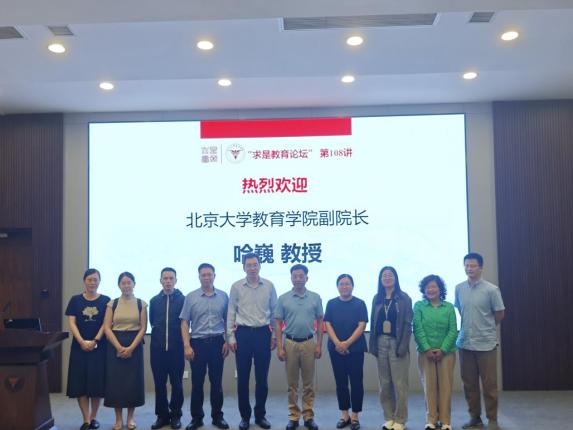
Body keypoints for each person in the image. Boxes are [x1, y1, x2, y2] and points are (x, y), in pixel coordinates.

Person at [227, 253, 277, 430]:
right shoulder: (236, 287)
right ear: (244, 267)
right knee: (243, 379)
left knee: (262, 379)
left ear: (260, 266)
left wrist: (274, 335)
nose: (252, 268)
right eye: (249, 265)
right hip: (243, 334)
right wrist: (231, 337)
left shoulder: (269, 286)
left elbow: (275, 312)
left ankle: (260, 415)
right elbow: (231, 313)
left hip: (263, 334)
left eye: (255, 264)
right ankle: (245, 417)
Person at [455, 253, 505, 430]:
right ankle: (474, 417)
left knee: (489, 385)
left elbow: (499, 314)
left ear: (481, 267)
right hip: (465, 343)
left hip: (486, 344)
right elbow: (460, 310)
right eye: (466, 265)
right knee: (469, 385)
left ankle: (492, 419)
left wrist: (486, 327)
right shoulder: (459, 288)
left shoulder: (492, 290)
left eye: (473, 265)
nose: (469, 268)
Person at [180, 263, 230, 430]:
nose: (207, 277)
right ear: (199, 277)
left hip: (217, 343)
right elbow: (184, 322)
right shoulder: (191, 297)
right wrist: (187, 345)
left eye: (210, 274)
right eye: (203, 275)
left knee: (216, 383)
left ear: (214, 276)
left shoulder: (223, 296)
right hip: (197, 344)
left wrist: (227, 341)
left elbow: (228, 321)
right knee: (197, 383)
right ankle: (197, 418)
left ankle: (217, 417)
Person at [275, 264, 324, 430]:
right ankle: (293, 416)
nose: (298, 279)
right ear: (291, 278)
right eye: (294, 276)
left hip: (309, 343)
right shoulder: (283, 298)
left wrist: (319, 345)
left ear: (306, 278)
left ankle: (308, 416)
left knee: (309, 384)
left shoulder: (315, 298)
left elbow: (320, 321)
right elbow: (277, 323)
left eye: (301, 276)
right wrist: (279, 347)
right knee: (292, 384)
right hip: (290, 343)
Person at [65, 268, 110, 430]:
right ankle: (85, 419)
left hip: (99, 348)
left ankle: (93, 418)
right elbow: (72, 323)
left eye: (95, 279)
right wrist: (81, 341)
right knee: (80, 384)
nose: (92, 282)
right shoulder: (75, 300)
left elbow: (106, 323)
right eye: (89, 279)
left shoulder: (106, 300)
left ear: (99, 281)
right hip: (79, 348)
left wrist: (95, 340)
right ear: (84, 281)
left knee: (96, 385)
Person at [368, 266, 412, 430]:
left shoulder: (404, 298)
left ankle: (400, 419)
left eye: (390, 275)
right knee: (384, 383)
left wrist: (403, 346)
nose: (387, 278)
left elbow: (407, 324)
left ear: (395, 278)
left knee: (399, 384)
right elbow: (373, 323)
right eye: (384, 275)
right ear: (380, 280)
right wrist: (373, 345)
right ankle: (389, 417)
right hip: (380, 342)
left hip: (397, 343)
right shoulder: (377, 298)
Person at [103, 272, 148, 430]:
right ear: (119, 285)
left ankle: (130, 418)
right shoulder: (112, 304)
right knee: (116, 383)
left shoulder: (141, 304)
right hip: (115, 343)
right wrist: (119, 347)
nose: (126, 286)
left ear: (134, 284)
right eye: (123, 283)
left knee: (132, 382)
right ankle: (118, 419)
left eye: (129, 282)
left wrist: (130, 348)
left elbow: (143, 328)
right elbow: (107, 327)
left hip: (134, 344)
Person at [413, 275, 457, 430]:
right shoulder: (419, 306)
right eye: (428, 287)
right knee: (429, 387)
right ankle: (431, 420)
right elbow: (417, 328)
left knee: (445, 387)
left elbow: (453, 330)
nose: (431, 290)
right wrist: (427, 349)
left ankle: (445, 421)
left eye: (434, 287)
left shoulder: (449, 307)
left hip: (447, 353)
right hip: (426, 353)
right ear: (424, 290)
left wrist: (443, 350)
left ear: (440, 289)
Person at [324, 274, 368, 430]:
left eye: (347, 283)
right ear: (337, 286)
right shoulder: (331, 303)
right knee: (341, 383)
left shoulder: (360, 303)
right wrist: (338, 343)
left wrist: (347, 343)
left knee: (356, 382)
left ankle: (355, 416)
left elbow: (362, 325)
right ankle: (345, 415)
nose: (344, 286)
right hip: (335, 349)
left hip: (355, 349)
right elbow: (327, 323)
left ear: (352, 286)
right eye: (341, 284)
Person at [150, 267, 186, 430]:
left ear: (176, 280)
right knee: (159, 384)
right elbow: (153, 322)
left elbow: (185, 323)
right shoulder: (154, 301)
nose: (168, 281)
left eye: (171, 278)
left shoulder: (183, 300)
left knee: (177, 384)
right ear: (160, 281)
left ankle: (176, 415)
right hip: (157, 350)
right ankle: (162, 416)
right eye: (165, 278)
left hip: (176, 350)